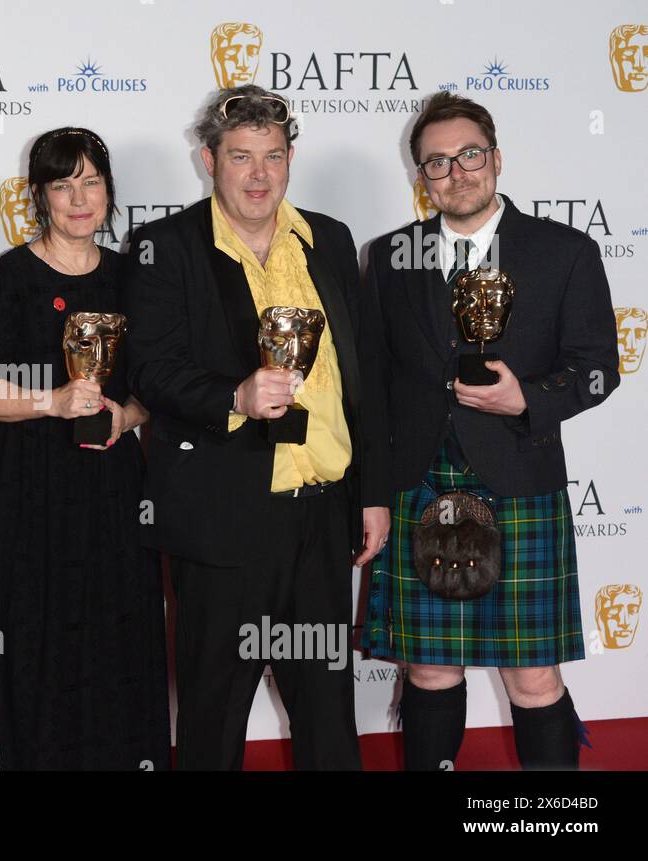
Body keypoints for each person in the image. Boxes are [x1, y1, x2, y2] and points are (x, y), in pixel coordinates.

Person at [124, 85, 389, 770]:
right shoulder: (166, 247)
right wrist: (234, 394)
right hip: (224, 521)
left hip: (323, 521)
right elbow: (151, 370)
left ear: (291, 157)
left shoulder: (327, 238)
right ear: (210, 159)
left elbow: (364, 380)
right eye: (241, 156)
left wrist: (373, 492)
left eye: (272, 156)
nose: (259, 174)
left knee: (329, 716)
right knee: (214, 718)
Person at [361, 92, 620, 770]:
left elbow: (599, 370)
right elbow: (375, 382)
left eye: (469, 154)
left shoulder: (562, 251)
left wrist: (527, 399)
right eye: (437, 162)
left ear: (496, 158)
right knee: (429, 672)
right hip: (420, 480)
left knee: (532, 678)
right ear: (422, 175)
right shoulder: (391, 256)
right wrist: (376, 491)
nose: (456, 172)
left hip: (519, 481)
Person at [0, 127, 169, 770]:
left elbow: (155, 387)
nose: (79, 198)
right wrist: (51, 402)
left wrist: (125, 416)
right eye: (62, 184)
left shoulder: (136, 280)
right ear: (39, 196)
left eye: (92, 181)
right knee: (33, 647)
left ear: (109, 190)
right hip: (24, 494)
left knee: (118, 642)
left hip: (112, 494)